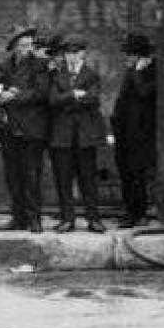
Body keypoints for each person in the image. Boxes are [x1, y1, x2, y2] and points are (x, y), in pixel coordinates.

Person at [0, 24, 50, 234]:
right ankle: (18, 217)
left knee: (31, 175)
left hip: (32, 129)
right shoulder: (3, 66)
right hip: (8, 129)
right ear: (14, 46)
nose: (27, 48)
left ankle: (34, 219)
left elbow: (42, 93)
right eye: (23, 45)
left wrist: (14, 95)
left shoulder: (40, 65)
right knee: (13, 176)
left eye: (30, 45)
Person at [48, 33, 107, 233]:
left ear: (83, 54)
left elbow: (94, 99)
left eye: (76, 53)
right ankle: (67, 219)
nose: (71, 57)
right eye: (68, 53)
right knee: (63, 179)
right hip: (62, 137)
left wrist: (69, 100)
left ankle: (93, 219)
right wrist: (74, 95)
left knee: (88, 180)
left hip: (85, 137)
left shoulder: (91, 74)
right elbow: (52, 101)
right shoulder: (56, 75)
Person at [111, 32, 157, 228]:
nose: (127, 59)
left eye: (130, 55)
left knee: (138, 175)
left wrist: (137, 72)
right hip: (125, 133)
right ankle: (130, 211)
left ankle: (139, 213)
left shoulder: (153, 73)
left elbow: (144, 93)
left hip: (142, 134)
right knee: (126, 174)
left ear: (141, 56)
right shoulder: (131, 72)